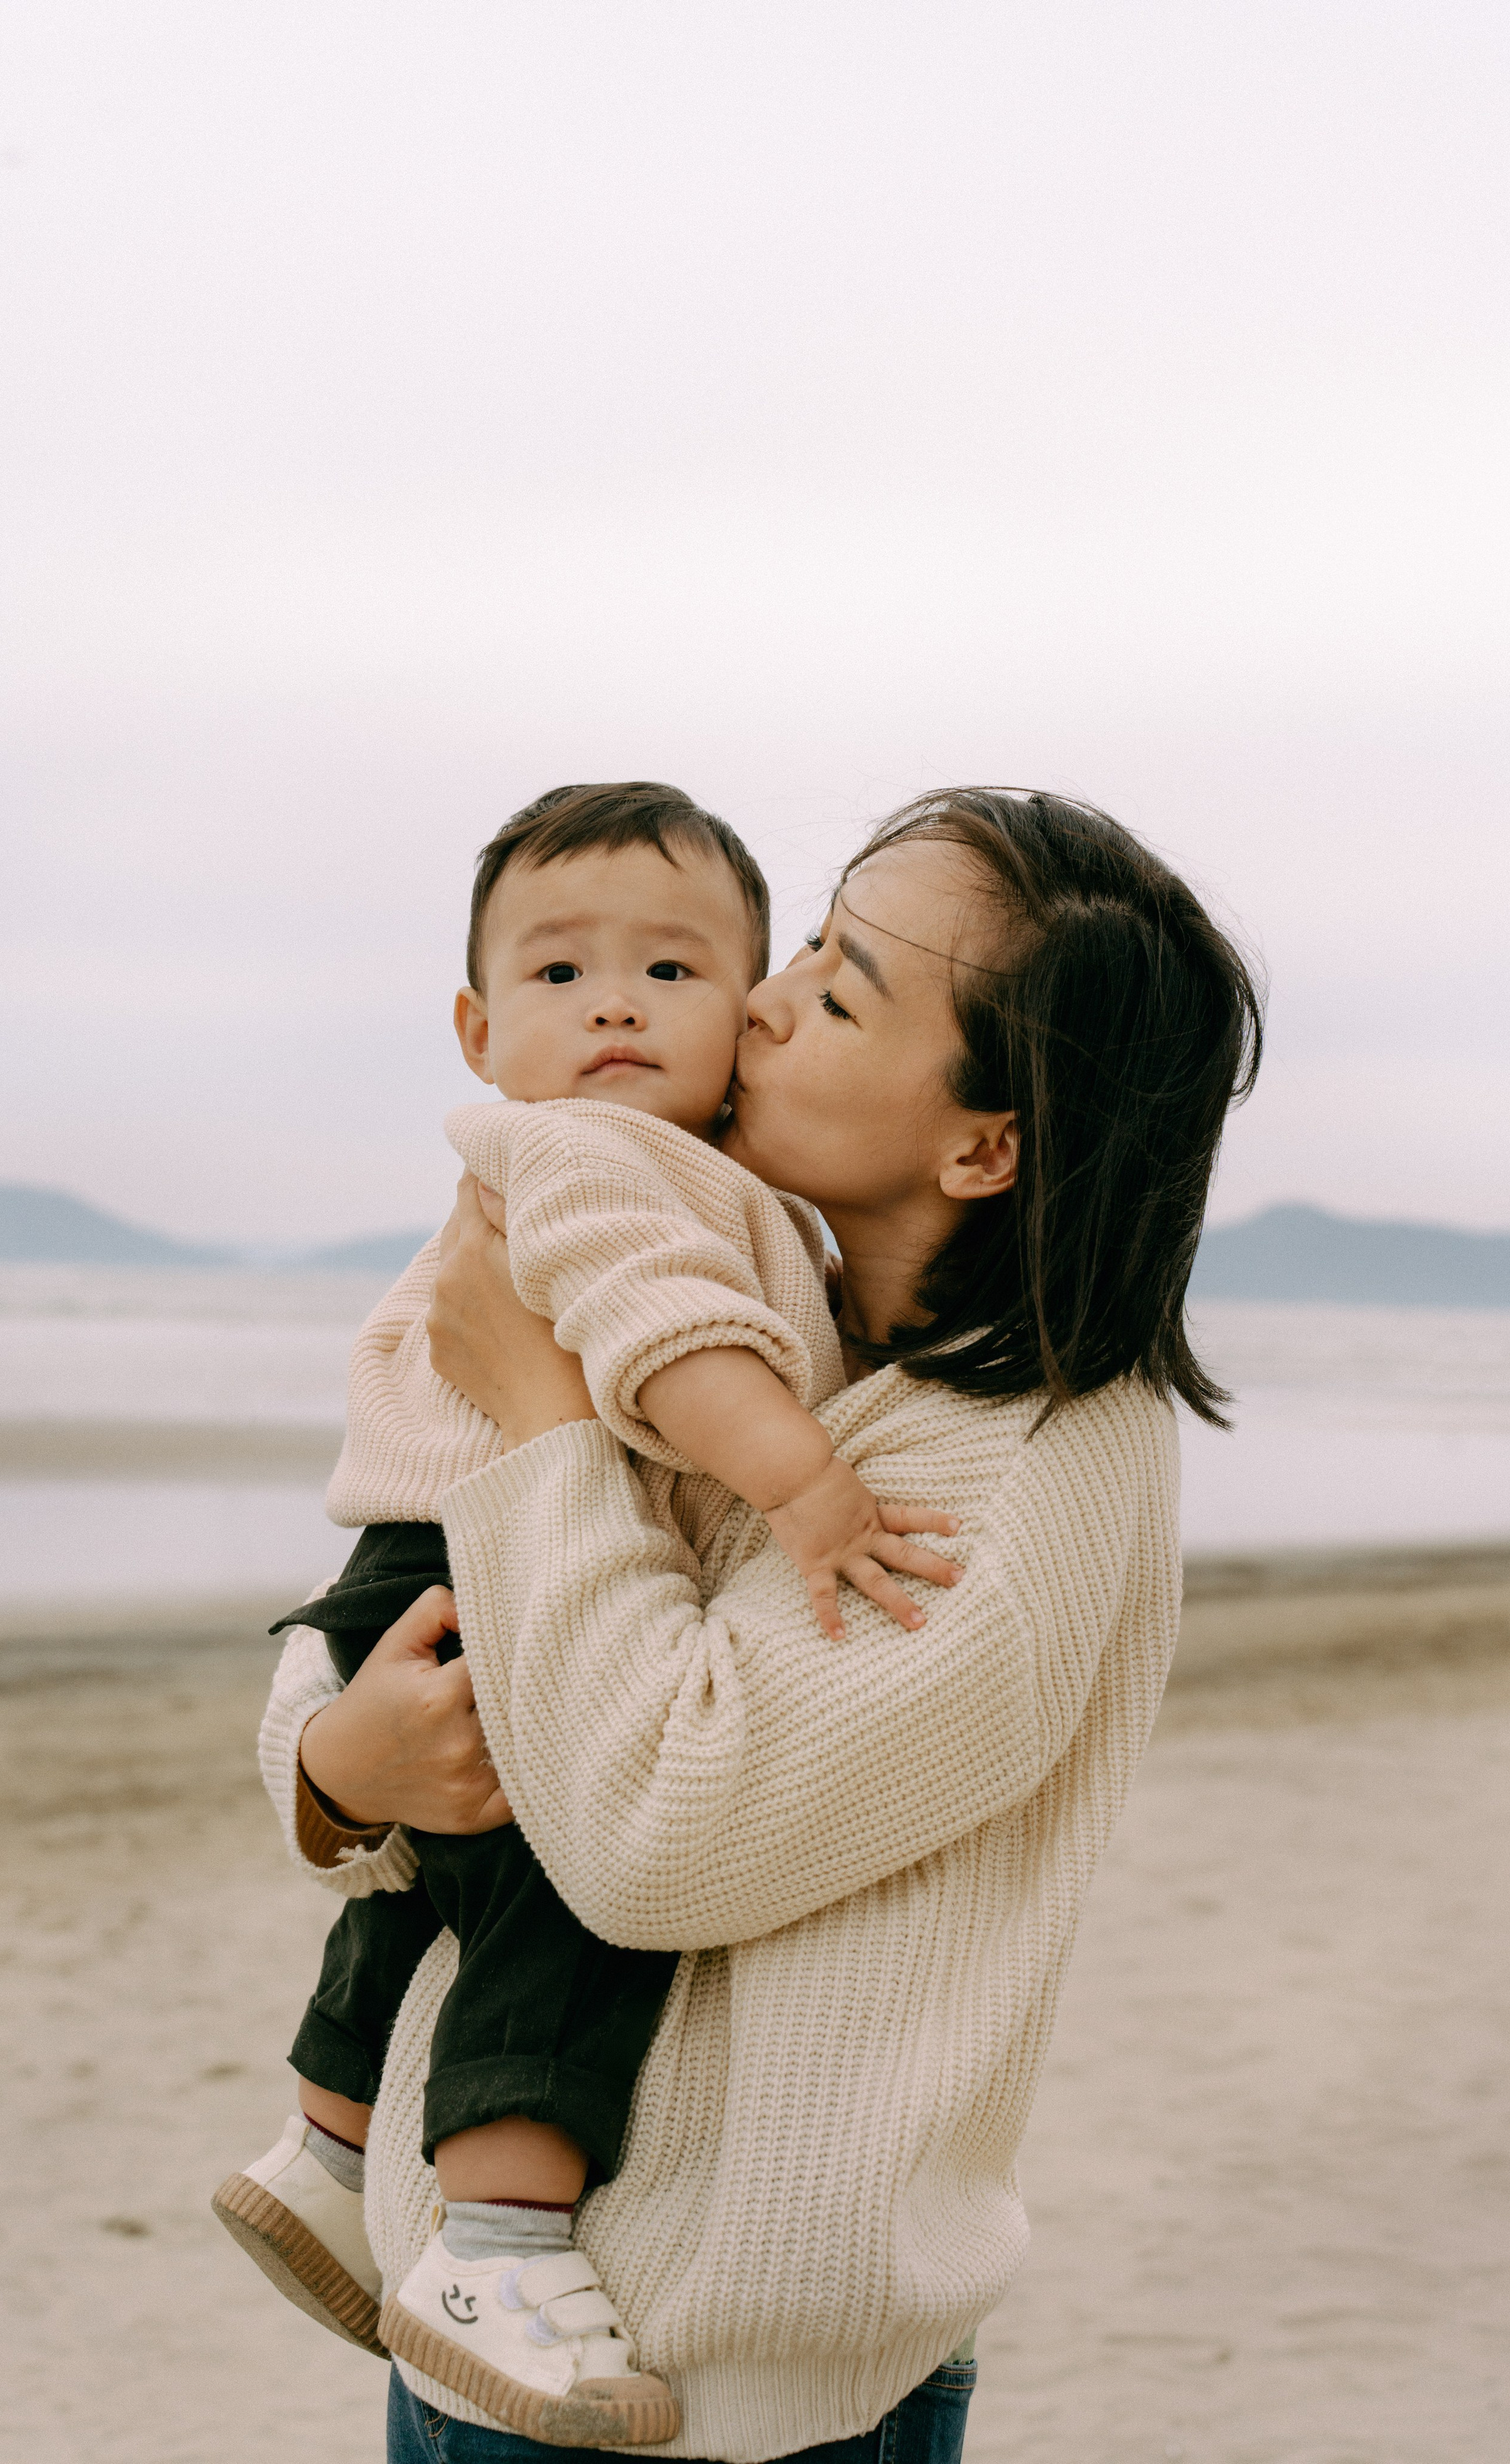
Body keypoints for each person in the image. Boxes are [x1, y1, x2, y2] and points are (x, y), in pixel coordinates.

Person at [261, 787, 1262, 2464]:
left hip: (724, 2393)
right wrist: (328, 1767)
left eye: (847, 986)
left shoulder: (1031, 1461)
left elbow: (659, 1831)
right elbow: (396, 1587)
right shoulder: (764, 1339)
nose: (767, 998)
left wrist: (544, 1419)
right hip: (494, 2330)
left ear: (985, 1143)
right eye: (806, 939)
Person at [216, 783, 959, 2447]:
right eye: (559, 976)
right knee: (561, 1881)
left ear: (754, 1016)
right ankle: (497, 2244)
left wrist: (337, 1757)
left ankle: (335, 2149)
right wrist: (799, 1481)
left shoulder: (598, 1161)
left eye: (672, 971)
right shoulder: (609, 1161)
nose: (615, 1002)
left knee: (444, 1885)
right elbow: (651, 1340)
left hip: (411, 1562)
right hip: (473, 1568)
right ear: (480, 1031)